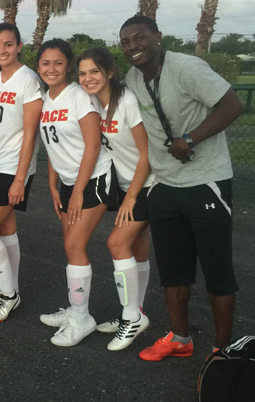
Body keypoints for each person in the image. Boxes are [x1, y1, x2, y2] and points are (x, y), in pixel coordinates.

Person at [119, 16, 244, 360]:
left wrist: (190, 138)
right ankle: (180, 338)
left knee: (217, 270)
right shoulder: (133, 79)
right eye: (126, 42)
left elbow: (233, 105)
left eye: (139, 38)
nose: (132, 46)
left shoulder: (188, 67)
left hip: (206, 182)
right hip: (165, 187)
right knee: (173, 271)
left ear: (158, 37)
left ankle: (222, 350)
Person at [35, 39, 116, 346]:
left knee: (74, 245)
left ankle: (82, 318)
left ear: (67, 65)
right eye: (45, 63)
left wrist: (79, 190)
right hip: (69, 182)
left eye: (57, 63)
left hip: (94, 178)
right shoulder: (46, 99)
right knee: (71, 247)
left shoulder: (79, 96)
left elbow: (93, 145)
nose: (51, 69)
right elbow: (55, 146)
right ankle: (75, 308)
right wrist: (52, 184)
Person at [77, 47, 154, 351]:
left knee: (116, 243)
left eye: (94, 71)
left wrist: (131, 197)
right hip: (124, 182)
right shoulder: (92, 102)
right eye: (82, 73)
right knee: (136, 246)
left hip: (148, 182)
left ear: (109, 72)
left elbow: (147, 153)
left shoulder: (127, 101)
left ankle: (130, 316)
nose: (87, 78)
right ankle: (136, 313)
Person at [0, 23, 43, 323]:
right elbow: (0, 125)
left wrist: (20, 178)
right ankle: (10, 289)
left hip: (12, 168)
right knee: (5, 229)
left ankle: (9, 295)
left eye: (8, 44)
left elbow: (30, 135)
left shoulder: (28, 80)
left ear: (19, 45)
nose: (2, 50)